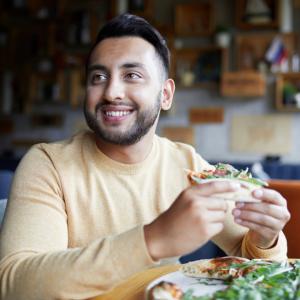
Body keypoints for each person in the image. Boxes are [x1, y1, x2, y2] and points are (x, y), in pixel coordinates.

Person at [0, 13, 290, 300]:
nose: (112, 92)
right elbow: (15, 285)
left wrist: (265, 239)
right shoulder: (47, 164)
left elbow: (259, 270)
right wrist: (152, 240)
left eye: (132, 76)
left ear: (165, 95)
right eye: (99, 76)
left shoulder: (187, 166)